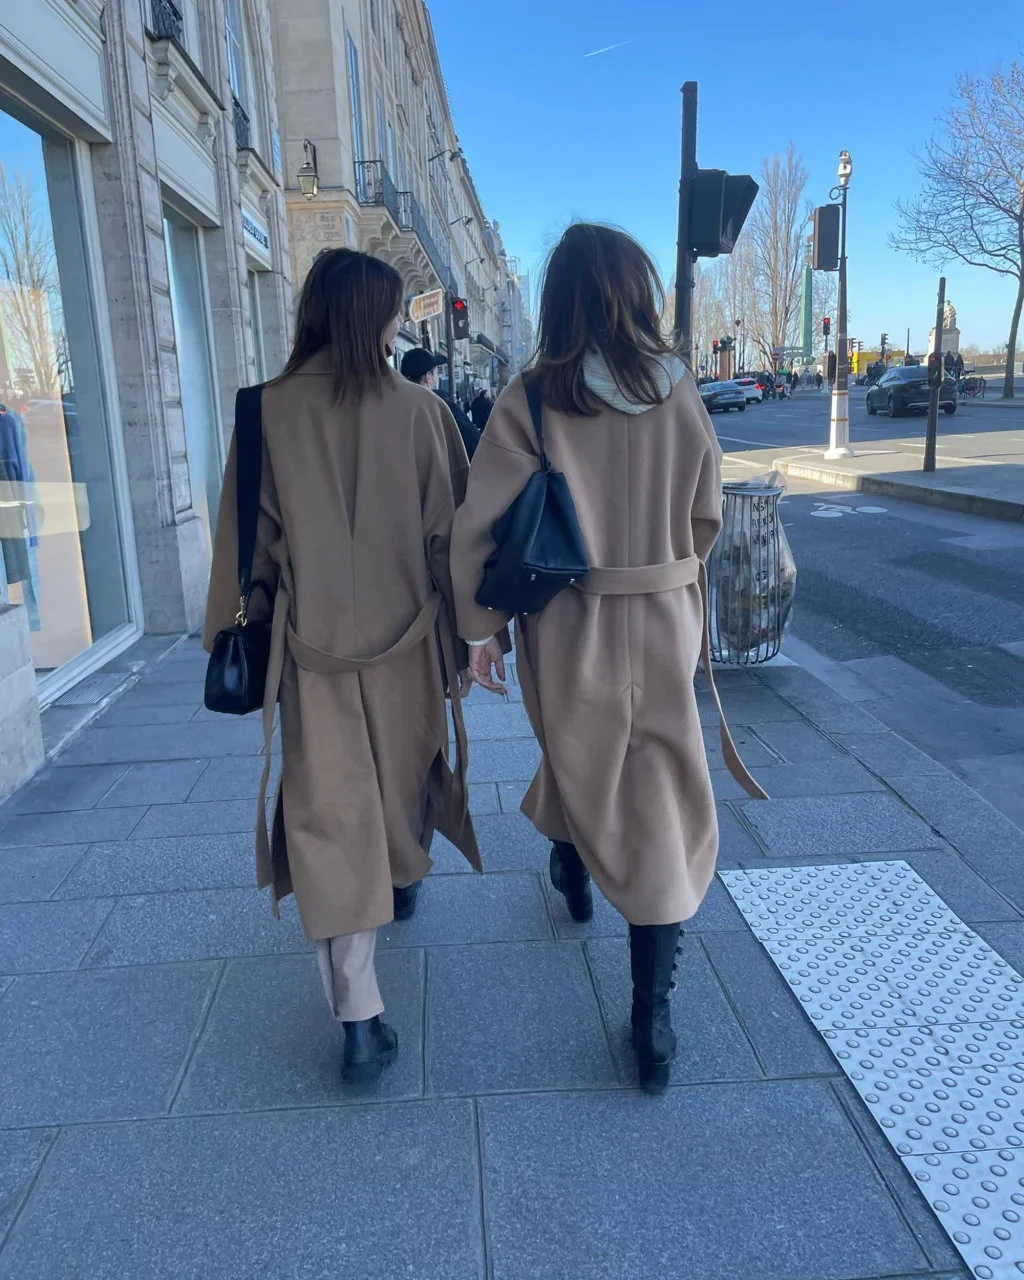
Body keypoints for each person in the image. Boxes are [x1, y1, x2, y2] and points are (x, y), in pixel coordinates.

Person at [450, 222, 765, 1095]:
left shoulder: (532, 397)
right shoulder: (681, 393)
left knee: (586, 749)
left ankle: (583, 876)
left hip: (570, 617)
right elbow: (706, 517)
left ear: (560, 301)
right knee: (656, 779)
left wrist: (482, 634)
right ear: (639, 295)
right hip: (663, 615)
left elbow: (482, 526)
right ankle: (651, 1015)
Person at [203, 248, 480, 1086]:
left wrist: (229, 634)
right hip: (408, 653)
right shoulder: (421, 414)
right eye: (396, 310)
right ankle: (395, 886)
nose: (403, 324)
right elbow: (454, 544)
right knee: (396, 790)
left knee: (328, 817)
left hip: (311, 657)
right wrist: (475, 639)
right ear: (374, 316)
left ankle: (360, 1016)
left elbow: (242, 556)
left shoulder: (264, 413)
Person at [400, 348, 480, 459]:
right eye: (436, 372)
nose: (437, 377)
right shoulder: (441, 405)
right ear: (428, 377)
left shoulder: (397, 408)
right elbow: (473, 443)